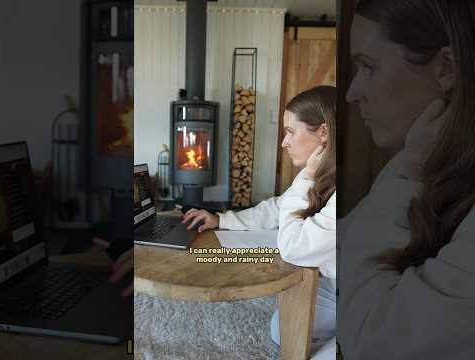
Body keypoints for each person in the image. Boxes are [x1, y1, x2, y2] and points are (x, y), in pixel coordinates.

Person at [338, 1, 475, 359]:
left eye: (368, 66)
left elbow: (371, 340)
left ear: (445, 68)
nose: (352, 92)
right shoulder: (413, 159)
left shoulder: (410, 167)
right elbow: (346, 237)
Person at [183, 86, 337, 359]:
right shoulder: (324, 172)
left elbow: (294, 248)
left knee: (300, 341)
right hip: (330, 281)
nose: (283, 142)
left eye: (291, 131)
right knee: (283, 329)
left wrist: (306, 178)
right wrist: (222, 219)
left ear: (323, 133)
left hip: (363, 295)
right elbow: (278, 207)